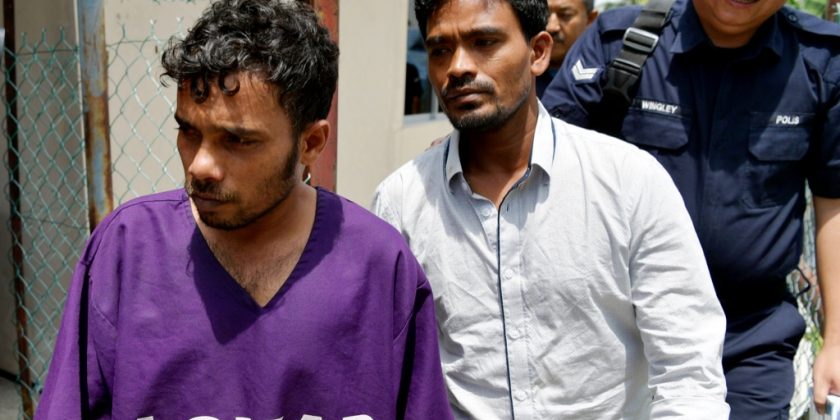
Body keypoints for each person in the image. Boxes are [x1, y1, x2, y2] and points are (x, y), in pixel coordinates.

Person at [35, 1, 452, 418]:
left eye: (237, 140)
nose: (200, 166)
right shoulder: (126, 251)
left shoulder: (379, 268)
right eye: (189, 131)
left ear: (310, 144)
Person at [373, 0, 729, 418]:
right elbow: (384, 369)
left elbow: (688, 373)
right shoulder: (401, 203)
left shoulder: (628, 182)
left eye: (484, 42)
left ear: (538, 52)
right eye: (439, 50)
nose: (458, 67)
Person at [541, 0, 840, 417]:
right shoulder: (620, 44)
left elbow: (833, 201)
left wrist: (836, 341)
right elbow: (539, 165)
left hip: (749, 340)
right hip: (621, 334)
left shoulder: (820, 61)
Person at [536, 0, 598, 96]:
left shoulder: (604, 79)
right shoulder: (522, 77)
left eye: (565, 15)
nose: (551, 27)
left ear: (590, 20)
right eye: (544, 14)